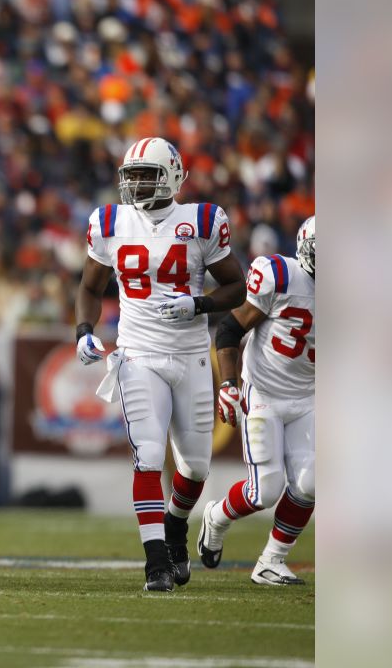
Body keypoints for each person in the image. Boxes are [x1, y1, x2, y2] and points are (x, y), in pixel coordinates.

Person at [74, 137, 246, 592]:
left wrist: (199, 303)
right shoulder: (110, 222)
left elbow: (237, 287)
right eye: (130, 175)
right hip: (138, 354)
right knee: (147, 456)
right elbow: (90, 286)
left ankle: (175, 527)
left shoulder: (203, 221)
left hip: (190, 354)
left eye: (145, 175)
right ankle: (156, 564)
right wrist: (84, 329)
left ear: (171, 175)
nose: (135, 184)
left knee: (195, 468)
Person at [198, 216, 315, 586]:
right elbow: (231, 328)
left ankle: (270, 561)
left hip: (309, 397)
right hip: (264, 391)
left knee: (312, 483)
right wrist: (229, 384)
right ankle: (216, 516)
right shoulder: (280, 275)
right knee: (264, 490)